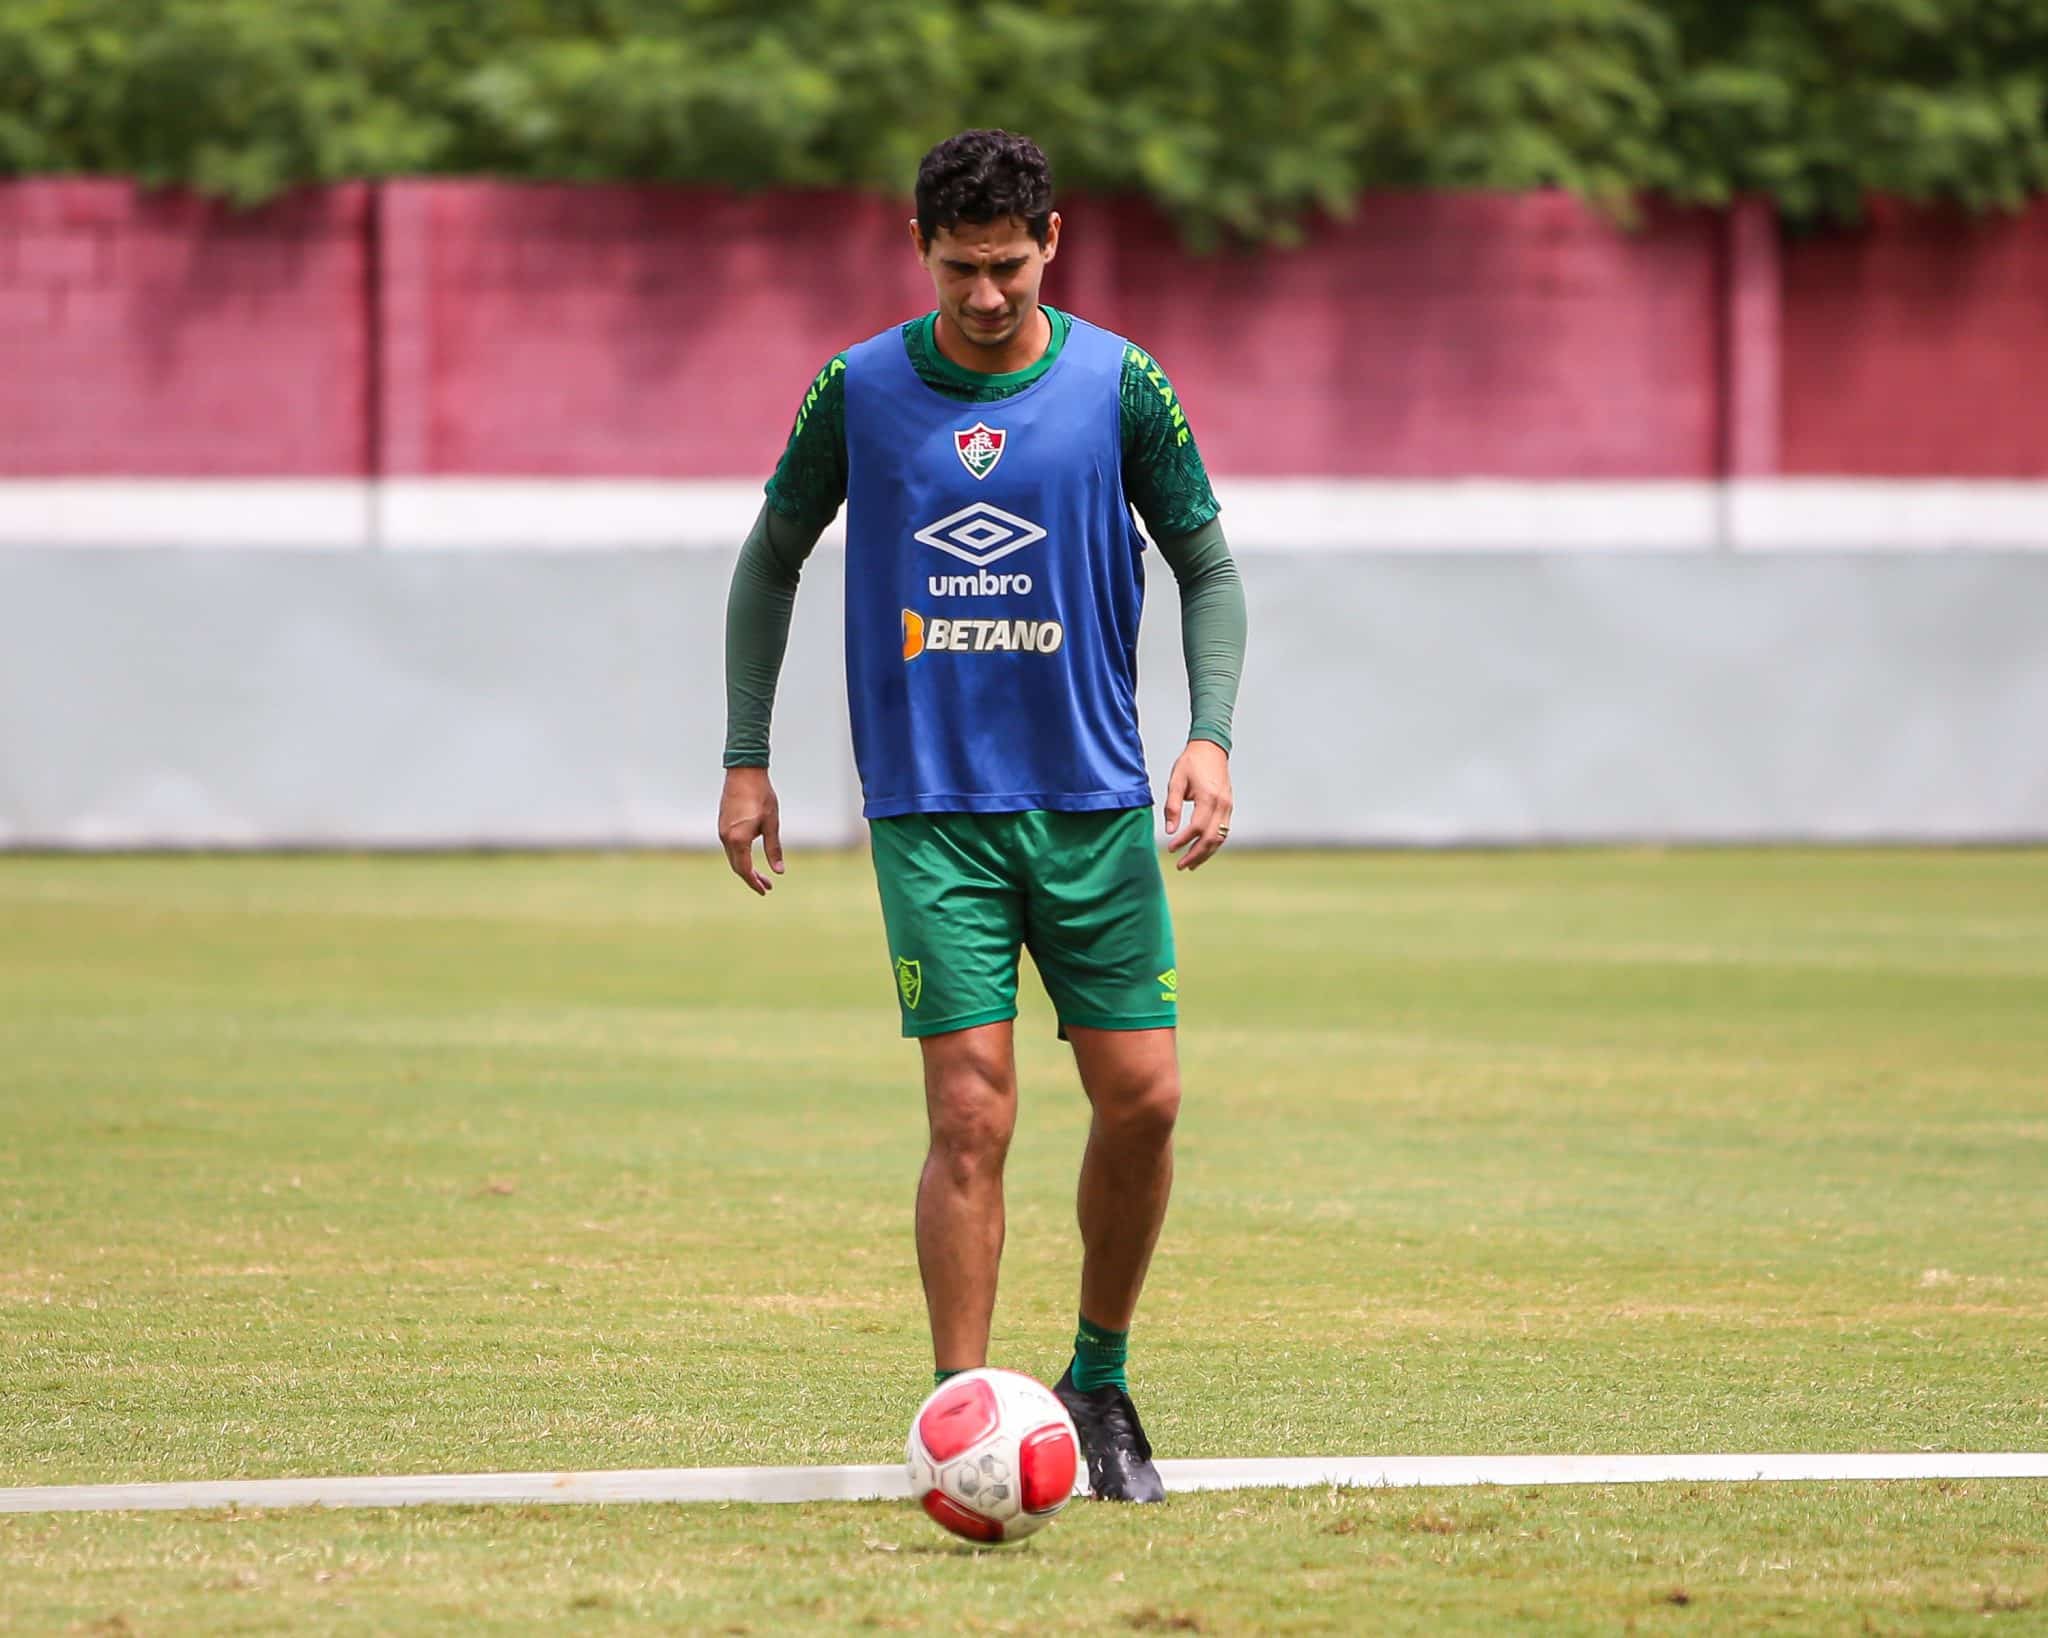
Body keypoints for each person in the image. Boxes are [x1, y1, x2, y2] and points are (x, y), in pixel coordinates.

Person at [718, 129, 1247, 1503]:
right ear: (922, 250)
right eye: (962, 269)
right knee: (973, 1111)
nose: (988, 295)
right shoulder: (860, 389)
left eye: (1009, 266)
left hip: (1094, 802)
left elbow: (1207, 564)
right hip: (934, 812)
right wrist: (746, 754)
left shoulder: (1123, 384)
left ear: (1052, 240)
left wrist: (1209, 735)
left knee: (1146, 1098)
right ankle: (960, 1417)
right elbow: (769, 560)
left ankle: (1100, 1378)